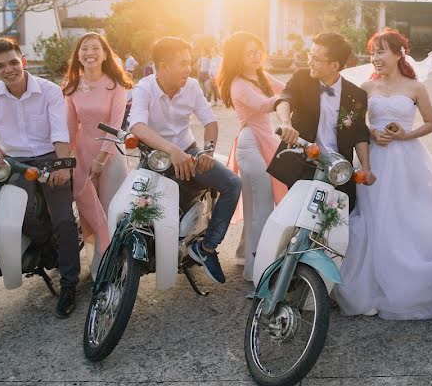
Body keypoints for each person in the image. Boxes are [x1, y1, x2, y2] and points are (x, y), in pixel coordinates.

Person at [0, 37, 80, 317]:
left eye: (13, 62)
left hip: (50, 157)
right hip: (13, 163)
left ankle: (69, 284)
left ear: (23, 61)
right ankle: (42, 246)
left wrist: (61, 165)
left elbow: (61, 132)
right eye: (1, 66)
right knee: (11, 214)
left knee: (63, 220)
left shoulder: (48, 90)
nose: (9, 69)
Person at [334, 29, 432, 319]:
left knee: (404, 216)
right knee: (375, 218)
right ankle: (372, 285)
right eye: (373, 52)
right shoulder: (365, 87)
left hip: (407, 161)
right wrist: (372, 131)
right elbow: (352, 123)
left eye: (381, 51)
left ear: (399, 53)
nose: (375, 58)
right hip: (374, 161)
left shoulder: (415, 87)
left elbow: (431, 123)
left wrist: (406, 134)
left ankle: (403, 282)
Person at [127, 37, 241, 284]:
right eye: (183, 63)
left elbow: (210, 121)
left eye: (189, 63)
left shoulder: (191, 86)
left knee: (233, 183)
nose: (189, 69)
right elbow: (136, 125)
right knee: (138, 212)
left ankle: (207, 248)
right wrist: (171, 151)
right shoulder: (144, 88)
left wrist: (208, 153)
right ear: (163, 65)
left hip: (190, 153)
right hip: (155, 157)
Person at [270, 32, 375, 211]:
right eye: (310, 55)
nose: (309, 61)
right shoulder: (301, 78)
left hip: (338, 169)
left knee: (334, 221)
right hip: (303, 162)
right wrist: (286, 123)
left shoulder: (356, 94)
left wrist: (366, 167)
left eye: (316, 58)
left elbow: (359, 133)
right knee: (297, 218)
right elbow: (285, 98)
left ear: (334, 65)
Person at [216, 32, 286, 282]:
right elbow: (265, 105)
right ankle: (258, 269)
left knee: (259, 204)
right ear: (238, 57)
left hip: (266, 140)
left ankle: (247, 254)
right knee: (261, 205)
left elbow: (285, 89)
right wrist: (287, 98)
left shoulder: (259, 75)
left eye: (258, 50)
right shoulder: (238, 84)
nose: (257, 56)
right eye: (250, 52)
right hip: (251, 144)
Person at [62, 32, 133, 270]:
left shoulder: (116, 85)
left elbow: (114, 126)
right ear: (78, 55)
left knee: (109, 209)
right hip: (83, 154)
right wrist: (64, 159)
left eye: (95, 48)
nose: (89, 53)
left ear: (104, 54)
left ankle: (106, 263)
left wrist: (101, 159)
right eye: (84, 48)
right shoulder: (72, 87)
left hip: (110, 154)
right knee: (88, 209)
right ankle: (98, 255)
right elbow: (71, 128)